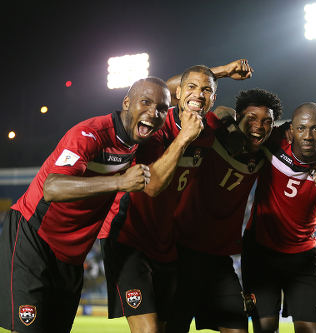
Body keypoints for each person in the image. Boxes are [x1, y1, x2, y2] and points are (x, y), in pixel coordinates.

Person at [0, 77, 172, 333]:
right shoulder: (89, 134)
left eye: (161, 109)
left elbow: (186, 89)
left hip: (72, 254)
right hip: (34, 237)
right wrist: (118, 182)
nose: (153, 113)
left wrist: (218, 73)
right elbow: (52, 187)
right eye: (145, 102)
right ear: (127, 102)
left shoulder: (143, 142)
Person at [98, 60, 254, 333]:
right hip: (128, 237)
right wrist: (223, 72)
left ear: (213, 98)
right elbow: (152, 186)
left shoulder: (208, 131)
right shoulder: (154, 123)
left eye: (206, 91)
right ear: (177, 94)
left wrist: (227, 119)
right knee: (149, 330)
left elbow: (227, 112)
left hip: (167, 244)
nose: (198, 94)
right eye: (190, 88)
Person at [169, 88, 283, 333]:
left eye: (267, 122)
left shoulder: (265, 152)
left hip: (219, 260)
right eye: (251, 118)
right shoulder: (214, 135)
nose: (259, 126)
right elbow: (218, 111)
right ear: (240, 116)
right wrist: (229, 125)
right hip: (183, 253)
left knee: (237, 328)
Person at [241, 102, 316, 333]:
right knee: (265, 328)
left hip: (303, 258)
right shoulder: (274, 140)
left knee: (310, 330)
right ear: (290, 130)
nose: (308, 135)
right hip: (261, 251)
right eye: (301, 128)